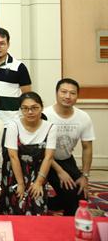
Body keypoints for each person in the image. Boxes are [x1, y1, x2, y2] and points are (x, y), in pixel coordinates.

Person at [44, 78, 95, 216]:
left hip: (66, 159)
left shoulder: (83, 117)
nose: (68, 96)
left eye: (72, 93)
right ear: (56, 93)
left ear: (77, 96)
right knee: (70, 197)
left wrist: (85, 176)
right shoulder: (45, 115)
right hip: (44, 161)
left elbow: (87, 148)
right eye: (64, 92)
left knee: (81, 195)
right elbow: (41, 149)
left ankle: (53, 203)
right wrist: (60, 172)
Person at [1, 92, 56, 215]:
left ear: (41, 107)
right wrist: (20, 184)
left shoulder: (50, 127)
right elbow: (13, 157)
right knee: (18, 207)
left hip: (38, 172)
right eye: (25, 108)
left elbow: (48, 157)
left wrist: (39, 182)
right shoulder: (13, 125)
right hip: (15, 171)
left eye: (34, 108)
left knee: (38, 208)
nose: (30, 112)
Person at [0, 27, 32, 125]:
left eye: (2, 44)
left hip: (11, 124)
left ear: (8, 44)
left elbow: (27, 96)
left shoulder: (19, 67)